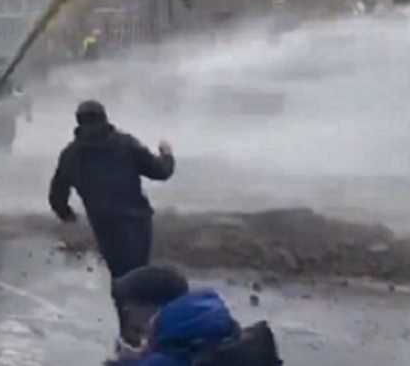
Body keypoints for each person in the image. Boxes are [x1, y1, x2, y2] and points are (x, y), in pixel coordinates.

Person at [49, 100, 175, 346]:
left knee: (120, 277)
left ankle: (129, 332)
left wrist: (67, 215)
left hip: (105, 226)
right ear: (104, 118)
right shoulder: (125, 144)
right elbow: (160, 172)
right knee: (140, 274)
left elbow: (56, 195)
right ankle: (143, 333)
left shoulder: (71, 155)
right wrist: (167, 154)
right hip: (137, 222)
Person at [108, 265, 283, 366]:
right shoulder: (211, 332)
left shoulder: (181, 345)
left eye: (130, 307)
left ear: (153, 306)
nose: (127, 313)